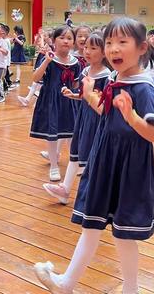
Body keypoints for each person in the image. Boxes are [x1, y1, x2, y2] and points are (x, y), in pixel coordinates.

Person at [34, 18, 154, 294]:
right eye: (109, 43)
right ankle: (66, 283)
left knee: (123, 234)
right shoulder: (118, 80)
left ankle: (130, 288)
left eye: (121, 42)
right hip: (105, 159)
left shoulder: (144, 88)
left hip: (128, 167)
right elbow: (107, 111)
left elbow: (152, 134)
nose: (113, 49)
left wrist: (130, 115)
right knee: (91, 225)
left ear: (142, 48)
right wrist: (88, 95)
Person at [43, 32, 111, 205]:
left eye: (93, 48)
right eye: (86, 47)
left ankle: (99, 194)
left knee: (92, 157)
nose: (87, 51)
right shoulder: (86, 70)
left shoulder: (106, 75)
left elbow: (103, 104)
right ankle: (65, 189)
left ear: (104, 52)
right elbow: (84, 95)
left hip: (97, 122)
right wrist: (72, 95)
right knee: (75, 152)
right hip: (83, 117)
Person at [29, 26, 81, 182]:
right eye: (62, 38)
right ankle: (53, 166)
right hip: (51, 100)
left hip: (69, 101)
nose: (66, 41)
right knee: (52, 134)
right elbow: (35, 78)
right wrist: (47, 60)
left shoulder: (76, 62)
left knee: (72, 133)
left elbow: (76, 84)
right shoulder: (48, 58)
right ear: (53, 40)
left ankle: (75, 162)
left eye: (69, 38)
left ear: (73, 42)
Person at [18, 28, 52, 106]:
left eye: (46, 36)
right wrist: (39, 37)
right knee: (36, 82)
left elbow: (43, 49)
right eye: (45, 35)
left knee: (39, 83)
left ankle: (34, 100)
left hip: (46, 63)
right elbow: (35, 45)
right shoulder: (47, 43)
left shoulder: (51, 45)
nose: (45, 37)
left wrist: (42, 37)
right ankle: (29, 99)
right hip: (42, 60)